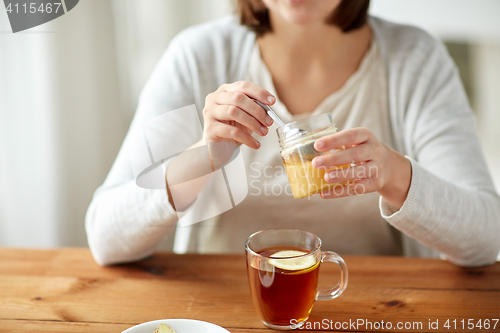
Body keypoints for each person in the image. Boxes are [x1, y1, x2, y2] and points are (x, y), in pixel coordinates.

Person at [85, 0, 500, 266]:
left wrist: (394, 174)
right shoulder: (198, 56)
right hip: (220, 314)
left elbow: (484, 237)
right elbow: (107, 238)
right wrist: (203, 154)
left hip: (368, 310)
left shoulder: (414, 59)